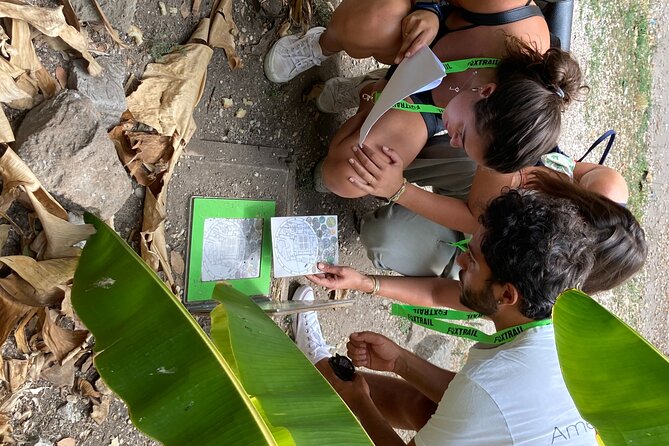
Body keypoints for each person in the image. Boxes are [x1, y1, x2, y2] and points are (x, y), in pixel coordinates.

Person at [294, 183, 609, 444]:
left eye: (471, 261)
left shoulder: (491, 385)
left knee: (364, 403)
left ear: (507, 294)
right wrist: (400, 362)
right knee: (429, 409)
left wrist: (360, 404)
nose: (458, 262)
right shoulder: (561, 332)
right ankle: (317, 377)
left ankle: (314, 394)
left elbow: (485, 401)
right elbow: (484, 409)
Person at [265, 1, 585, 199]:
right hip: (417, 35)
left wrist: (372, 108)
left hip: (428, 100)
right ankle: (322, 43)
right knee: (375, 21)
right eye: (461, 134)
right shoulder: (506, 14)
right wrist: (430, 9)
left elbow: (463, 124)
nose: (453, 142)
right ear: (486, 92)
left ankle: (369, 92)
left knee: (350, 176)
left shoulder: (508, 117)